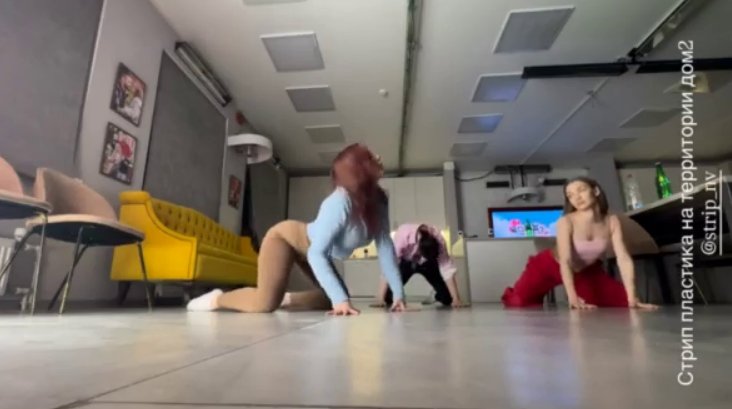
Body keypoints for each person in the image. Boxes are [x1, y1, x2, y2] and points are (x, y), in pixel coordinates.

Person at [186, 143, 406, 316]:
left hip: (312, 248)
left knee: (332, 297)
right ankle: (217, 299)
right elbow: (316, 253)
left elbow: (385, 245)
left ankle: (284, 298)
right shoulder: (340, 201)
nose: (378, 158)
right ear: (359, 171)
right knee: (264, 304)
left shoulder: (379, 201)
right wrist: (340, 300)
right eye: (370, 158)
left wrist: (398, 295)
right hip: (286, 238)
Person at [501, 176, 658, 310]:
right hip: (548, 266)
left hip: (585, 271)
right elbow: (565, 261)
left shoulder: (612, 221)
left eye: (581, 190)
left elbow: (623, 258)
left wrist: (631, 297)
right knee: (518, 302)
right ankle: (515, 292)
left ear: (595, 191)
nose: (577, 197)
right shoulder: (566, 221)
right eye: (570, 195)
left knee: (623, 302)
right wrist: (573, 297)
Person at [373, 223, 466, 308]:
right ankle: (386, 296)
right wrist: (380, 298)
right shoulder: (403, 235)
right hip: (406, 262)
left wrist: (456, 299)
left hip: (429, 264)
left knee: (447, 299)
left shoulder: (438, 239)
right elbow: (390, 266)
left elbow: (447, 268)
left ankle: (437, 293)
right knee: (387, 297)